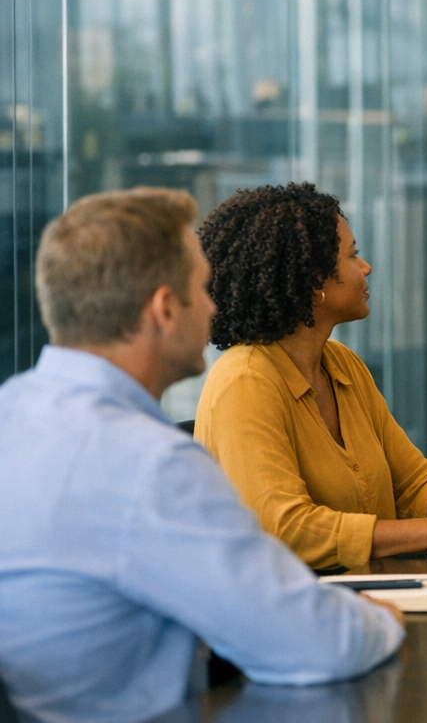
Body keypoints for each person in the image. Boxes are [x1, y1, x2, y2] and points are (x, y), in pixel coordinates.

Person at [0, 189, 403, 723]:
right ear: (165, 310)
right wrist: (382, 618)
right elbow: (320, 644)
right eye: (201, 289)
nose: (215, 306)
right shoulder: (149, 465)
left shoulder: (14, 414)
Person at [195, 183, 427, 572]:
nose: (365, 267)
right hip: (294, 611)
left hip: (370, 591)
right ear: (313, 280)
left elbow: (412, 483)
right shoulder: (244, 382)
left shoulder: (342, 364)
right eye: (353, 256)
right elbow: (288, 532)